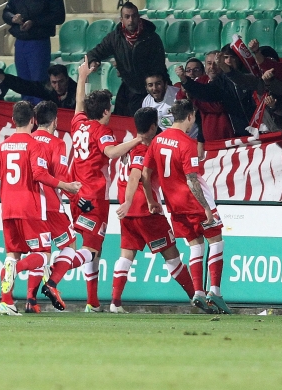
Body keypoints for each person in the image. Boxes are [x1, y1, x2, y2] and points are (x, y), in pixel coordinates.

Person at [0, 101, 81, 316]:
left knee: (12, 254)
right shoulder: (33, 144)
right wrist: (66, 186)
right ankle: (18, 273)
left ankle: (6, 302)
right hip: (31, 206)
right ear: (32, 121)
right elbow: (39, 174)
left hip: (7, 208)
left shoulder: (3, 145)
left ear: (13, 120)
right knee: (43, 254)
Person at [64, 59, 141, 312]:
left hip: (75, 195)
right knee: (92, 248)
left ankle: (92, 301)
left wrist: (82, 76)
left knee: (91, 249)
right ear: (107, 111)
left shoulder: (78, 124)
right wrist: (137, 140)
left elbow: (77, 104)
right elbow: (110, 152)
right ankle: (57, 269)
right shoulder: (100, 131)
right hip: (94, 197)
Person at [142, 99, 231, 314]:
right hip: (194, 202)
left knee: (195, 245)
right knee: (216, 241)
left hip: (174, 204)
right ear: (190, 116)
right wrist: (206, 208)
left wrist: (151, 200)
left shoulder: (158, 140)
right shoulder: (186, 143)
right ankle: (215, 292)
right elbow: (192, 179)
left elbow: (145, 173)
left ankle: (198, 292)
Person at [112, 107, 196, 313]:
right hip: (144, 210)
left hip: (128, 213)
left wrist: (125, 203)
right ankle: (197, 297)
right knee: (173, 256)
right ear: (152, 126)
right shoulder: (142, 149)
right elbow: (137, 176)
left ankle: (115, 303)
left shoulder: (129, 145)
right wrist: (131, 202)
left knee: (126, 256)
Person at [25, 100, 77, 313]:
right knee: (69, 246)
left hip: (29, 205)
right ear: (55, 120)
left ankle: (30, 300)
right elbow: (62, 177)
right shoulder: (58, 143)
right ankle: (52, 283)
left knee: (40, 252)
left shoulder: (26, 140)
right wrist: (75, 196)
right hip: (52, 206)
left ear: (35, 121)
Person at [2, 0, 66, 103]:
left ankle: (41, 116)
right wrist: (13, 18)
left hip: (38, 42)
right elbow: (6, 12)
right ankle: (26, 116)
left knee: (38, 84)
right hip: (21, 42)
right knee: (23, 84)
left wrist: (35, 22)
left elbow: (58, 16)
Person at [86, 2, 167, 116]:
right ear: (121, 19)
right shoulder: (115, 37)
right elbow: (96, 52)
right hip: (128, 87)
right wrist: (93, 60)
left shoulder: (151, 37)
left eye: (134, 16)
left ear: (138, 17)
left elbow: (158, 67)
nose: (131, 20)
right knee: (119, 119)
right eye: (127, 17)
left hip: (148, 90)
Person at [0, 64, 77, 109]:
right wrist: (4, 78)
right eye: (54, 82)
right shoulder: (47, 88)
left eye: (61, 81)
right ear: (50, 81)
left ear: (67, 79)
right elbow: (25, 86)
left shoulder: (77, 91)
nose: (57, 86)